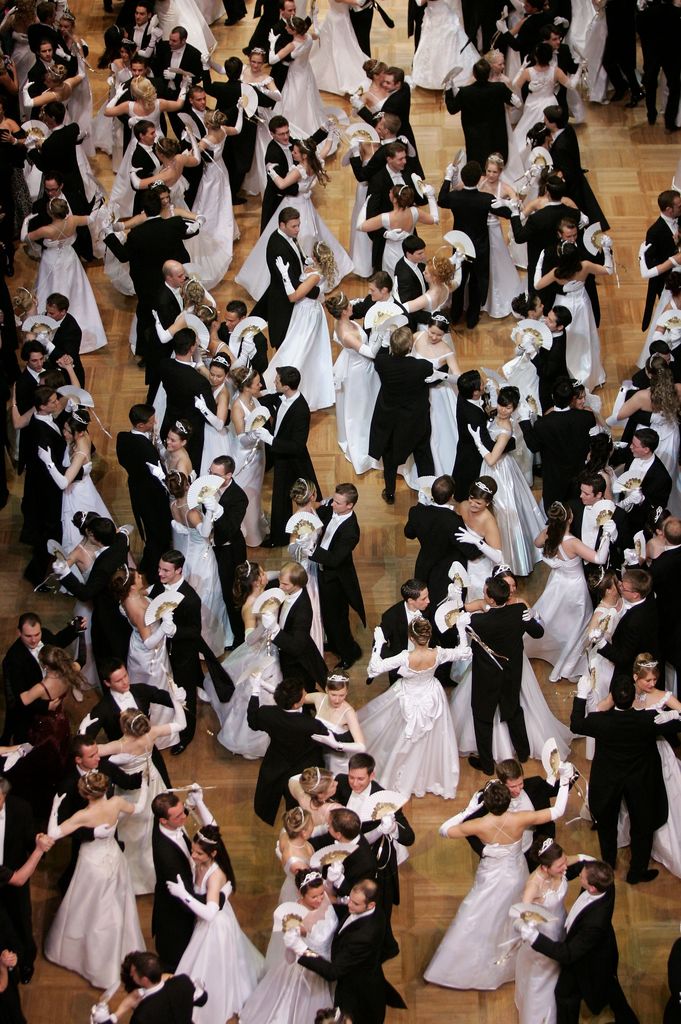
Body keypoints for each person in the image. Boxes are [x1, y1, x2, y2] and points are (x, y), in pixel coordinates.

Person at [424, 775, 570, 990]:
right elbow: (557, 811)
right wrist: (565, 782)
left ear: (488, 804)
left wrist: (469, 809)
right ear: (507, 801)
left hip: (491, 875)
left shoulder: (478, 824)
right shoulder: (520, 819)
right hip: (516, 871)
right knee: (510, 911)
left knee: (478, 913)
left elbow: (444, 830)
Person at [44, 771, 146, 988]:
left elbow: (53, 833)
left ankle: (88, 953)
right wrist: (145, 785)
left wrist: (55, 806)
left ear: (85, 794)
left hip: (92, 862)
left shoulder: (83, 815)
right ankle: (117, 948)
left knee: (85, 904)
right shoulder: (117, 802)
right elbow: (139, 807)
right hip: (114, 859)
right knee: (115, 903)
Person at [571, 673, 668, 884]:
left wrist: (581, 695)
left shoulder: (599, 721)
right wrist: (671, 716)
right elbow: (676, 724)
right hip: (639, 780)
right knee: (642, 826)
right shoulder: (647, 719)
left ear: (612, 697)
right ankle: (637, 872)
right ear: (633, 696)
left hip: (608, 780)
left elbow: (576, 724)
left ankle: (609, 863)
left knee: (607, 824)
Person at [518, 860, 640, 1023]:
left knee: (565, 994)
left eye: (581, 877)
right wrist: (558, 868)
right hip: (599, 945)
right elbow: (583, 866)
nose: (579, 876)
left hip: (589, 959)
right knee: (610, 987)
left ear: (592, 888)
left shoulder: (594, 923)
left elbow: (567, 954)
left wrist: (534, 938)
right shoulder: (606, 881)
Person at [360, 618, 466, 799]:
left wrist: (378, 643)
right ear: (429, 635)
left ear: (411, 637)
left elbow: (374, 669)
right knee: (432, 736)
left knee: (399, 734)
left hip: (407, 696)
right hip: (432, 697)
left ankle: (399, 771)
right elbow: (463, 652)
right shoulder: (438, 654)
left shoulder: (405, 657)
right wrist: (462, 629)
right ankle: (428, 774)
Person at [170, 824, 264, 1022]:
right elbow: (212, 824)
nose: (194, 856)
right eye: (193, 851)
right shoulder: (200, 857)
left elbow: (210, 914)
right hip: (205, 920)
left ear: (212, 853)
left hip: (215, 926)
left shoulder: (216, 876)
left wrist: (183, 895)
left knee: (212, 965)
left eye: (199, 854)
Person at [294, 879, 407, 1024]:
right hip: (364, 978)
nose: (349, 905)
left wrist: (301, 949)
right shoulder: (373, 910)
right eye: (350, 900)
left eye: (355, 903)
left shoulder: (363, 937)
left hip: (357, 997)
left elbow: (332, 972)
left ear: (370, 904)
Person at [524, 502, 613, 681]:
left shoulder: (549, 533)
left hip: (557, 582)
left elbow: (536, 543)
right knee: (577, 622)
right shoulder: (572, 542)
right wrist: (607, 534)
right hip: (575, 587)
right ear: (570, 519)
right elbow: (599, 558)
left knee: (552, 615)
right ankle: (566, 660)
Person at [515, 839, 596, 1024]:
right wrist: (526, 925)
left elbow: (573, 859)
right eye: (560, 865)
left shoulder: (560, 863)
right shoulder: (534, 885)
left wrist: (586, 858)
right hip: (545, 932)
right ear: (545, 868)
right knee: (544, 971)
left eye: (564, 860)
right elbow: (522, 910)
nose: (564, 866)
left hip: (561, 923)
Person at [239, 868, 337, 1022]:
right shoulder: (295, 917)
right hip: (309, 969)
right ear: (300, 894)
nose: (319, 899)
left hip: (328, 963)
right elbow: (293, 953)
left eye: (320, 894)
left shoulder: (322, 897)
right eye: (313, 897)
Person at [470, 385, 544, 575]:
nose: (503, 410)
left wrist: (478, 442)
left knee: (504, 511)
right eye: (501, 405)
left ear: (515, 408)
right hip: (489, 470)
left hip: (499, 470)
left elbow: (492, 459)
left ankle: (508, 557)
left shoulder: (507, 430)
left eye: (508, 407)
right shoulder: (494, 413)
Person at [262, 240, 338, 412]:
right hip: (306, 312)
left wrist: (284, 274)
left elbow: (293, 296)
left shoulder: (315, 277)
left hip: (306, 315)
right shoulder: (316, 271)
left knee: (299, 349)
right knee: (305, 350)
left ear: (316, 258)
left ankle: (288, 384)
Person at [25, 199, 107, 354]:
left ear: (50, 212)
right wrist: (99, 208)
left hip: (52, 263)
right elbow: (91, 218)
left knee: (52, 290)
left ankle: (47, 332)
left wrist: (25, 222)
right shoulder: (73, 220)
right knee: (77, 292)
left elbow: (26, 237)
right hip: (70, 259)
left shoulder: (47, 230)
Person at [247, 677, 331, 825]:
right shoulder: (310, 724)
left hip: (278, 758)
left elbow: (253, 721)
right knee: (298, 798)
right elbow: (326, 737)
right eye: (303, 693)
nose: (306, 693)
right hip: (305, 762)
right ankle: (297, 820)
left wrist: (255, 690)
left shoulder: (268, 714)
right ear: (296, 703)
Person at [368, 326, 437, 505]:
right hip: (415, 420)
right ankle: (428, 494)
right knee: (423, 454)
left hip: (390, 420)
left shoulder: (382, 364)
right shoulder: (423, 367)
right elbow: (434, 376)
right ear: (410, 347)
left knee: (390, 459)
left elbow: (381, 354)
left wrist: (387, 338)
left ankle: (390, 493)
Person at [150, 786, 216, 971]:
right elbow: (183, 896)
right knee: (179, 954)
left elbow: (181, 813)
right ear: (163, 820)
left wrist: (189, 803)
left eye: (182, 812)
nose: (184, 817)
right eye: (178, 816)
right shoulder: (167, 855)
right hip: (175, 909)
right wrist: (208, 902)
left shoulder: (169, 823)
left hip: (181, 889)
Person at [438, 160, 509, 329]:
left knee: (458, 279)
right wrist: (507, 205)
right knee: (477, 280)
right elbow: (506, 213)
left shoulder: (455, 197)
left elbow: (441, 199)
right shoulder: (485, 199)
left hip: (460, 244)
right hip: (479, 247)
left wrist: (448, 178)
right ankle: (472, 317)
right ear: (479, 179)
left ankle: (455, 314)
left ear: (463, 177)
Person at [167, 471, 230, 654]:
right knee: (210, 594)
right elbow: (205, 533)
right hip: (201, 554)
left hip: (187, 553)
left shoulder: (173, 505)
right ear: (187, 485)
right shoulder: (192, 512)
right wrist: (210, 511)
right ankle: (213, 641)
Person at [536, 240, 612, 390]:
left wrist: (540, 261)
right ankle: (589, 374)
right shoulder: (585, 266)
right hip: (582, 304)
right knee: (586, 336)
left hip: (564, 305)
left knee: (565, 340)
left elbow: (537, 285)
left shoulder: (557, 272)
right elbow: (608, 270)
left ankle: (567, 373)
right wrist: (607, 249)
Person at [259, 366, 320, 546]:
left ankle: (284, 538)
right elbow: (264, 399)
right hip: (280, 454)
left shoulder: (301, 410)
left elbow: (297, 445)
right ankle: (281, 536)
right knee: (282, 497)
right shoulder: (281, 397)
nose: (274, 382)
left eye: (277, 381)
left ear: (286, 386)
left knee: (304, 494)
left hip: (292, 459)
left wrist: (271, 440)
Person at [1, 613, 82, 746]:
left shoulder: (44, 634)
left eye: (37, 634)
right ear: (19, 632)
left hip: (50, 692)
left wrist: (75, 628)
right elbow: (18, 698)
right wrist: (45, 706)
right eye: (28, 636)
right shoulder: (14, 658)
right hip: (33, 707)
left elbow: (58, 641)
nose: (34, 640)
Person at [403, 474, 481, 607]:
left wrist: (420, 505)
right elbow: (470, 552)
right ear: (451, 497)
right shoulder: (453, 521)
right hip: (446, 571)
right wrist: (481, 541)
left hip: (424, 565)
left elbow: (408, 533)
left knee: (423, 603)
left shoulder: (416, 512)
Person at [519, 377, 597, 509]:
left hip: (554, 479)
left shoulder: (543, 424)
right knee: (577, 509)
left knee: (555, 512)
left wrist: (525, 421)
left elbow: (533, 446)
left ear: (552, 397)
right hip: (579, 475)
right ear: (572, 398)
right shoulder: (586, 417)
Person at [310, 484, 366, 670]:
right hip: (321, 570)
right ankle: (334, 644)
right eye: (334, 500)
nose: (331, 504)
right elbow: (321, 510)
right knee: (326, 614)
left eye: (337, 502)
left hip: (335, 580)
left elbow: (334, 560)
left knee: (337, 620)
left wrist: (311, 551)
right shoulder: (332, 509)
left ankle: (348, 653)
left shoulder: (351, 531)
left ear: (349, 505)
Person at [263, 561, 328, 691]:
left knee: (298, 689)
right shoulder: (287, 588)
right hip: (285, 648)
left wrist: (274, 629)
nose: (280, 586)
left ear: (297, 584)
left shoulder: (303, 611)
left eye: (285, 584)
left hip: (296, 660)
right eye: (280, 581)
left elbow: (296, 647)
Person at [94, 950, 208, 1024]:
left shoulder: (143, 1016)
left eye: (133, 973)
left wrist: (113, 1015)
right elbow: (202, 999)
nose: (131, 974)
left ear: (144, 980)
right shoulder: (183, 982)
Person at [445, 58, 517, 167]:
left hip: (474, 138)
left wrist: (448, 90)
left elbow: (452, 109)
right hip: (496, 135)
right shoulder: (499, 88)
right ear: (489, 73)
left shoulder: (465, 92)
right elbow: (514, 102)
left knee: (477, 165)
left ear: (474, 74)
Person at [208, 455, 249, 643]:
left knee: (231, 595)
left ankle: (239, 637)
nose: (210, 477)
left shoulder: (239, 497)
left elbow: (230, 529)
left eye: (215, 474)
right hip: (209, 548)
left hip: (229, 552)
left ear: (228, 475)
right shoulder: (208, 486)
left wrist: (217, 511)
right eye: (210, 472)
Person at [303, 675, 365, 775]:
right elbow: (298, 698)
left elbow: (361, 746)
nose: (337, 700)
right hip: (318, 752)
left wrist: (336, 745)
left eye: (342, 695)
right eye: (334, 695)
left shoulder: (348, 713)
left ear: (347, 692)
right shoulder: (319, 698)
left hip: (337, 760)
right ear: (327, 689)